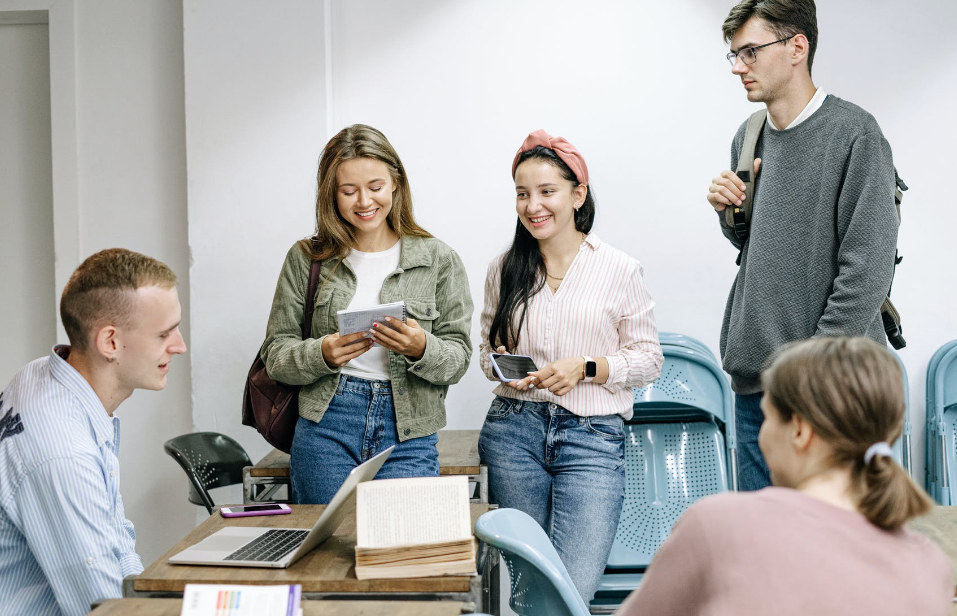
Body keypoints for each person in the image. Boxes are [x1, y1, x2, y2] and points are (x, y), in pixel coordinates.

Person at [706, 0, 900, 491]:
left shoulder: (856, 134)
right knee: (764, 554)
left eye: (750, 52)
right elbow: (758, 247)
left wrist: (809, 374)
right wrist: (730, 213)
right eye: (733, 54)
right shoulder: (747, 137)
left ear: (797, 47)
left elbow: (866, 272)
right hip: (756, 390)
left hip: (829, 392)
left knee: (836, 554)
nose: (738, 67)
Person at [618, 337, 953, 616]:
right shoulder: (931, 566)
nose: (761, 436)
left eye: (766, 419)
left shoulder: (719, 525)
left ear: (800, 431)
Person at [478, 129, 663, 604]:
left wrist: (586, 367)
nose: (532, 205)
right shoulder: (504, 269)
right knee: (526, 592)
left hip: (593, 438)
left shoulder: (620, 269)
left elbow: (649, 360)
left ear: (577, 195)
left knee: (570, 592)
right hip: (513, 433)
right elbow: (484, 352)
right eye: (522, 194)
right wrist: (500, 364)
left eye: (546, 192)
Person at [262, 124, 473, 505]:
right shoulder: (306, 259)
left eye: (375, 186)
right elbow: (276, 355)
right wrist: (322, 353)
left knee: (401, 553)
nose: (364, 201)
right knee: (324, 555)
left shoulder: (439, 260)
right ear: (331, 194)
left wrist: (421, 347)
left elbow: (458, 360)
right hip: (326, 424)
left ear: (396, 182)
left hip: (408, 430)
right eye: (348, 191)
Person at [0, 248, 187, 616]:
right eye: (164, 333)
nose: (179, 345)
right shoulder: (62, 454)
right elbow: (104, 609)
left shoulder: (46, 373)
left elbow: (115, 541)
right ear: (110, 343)